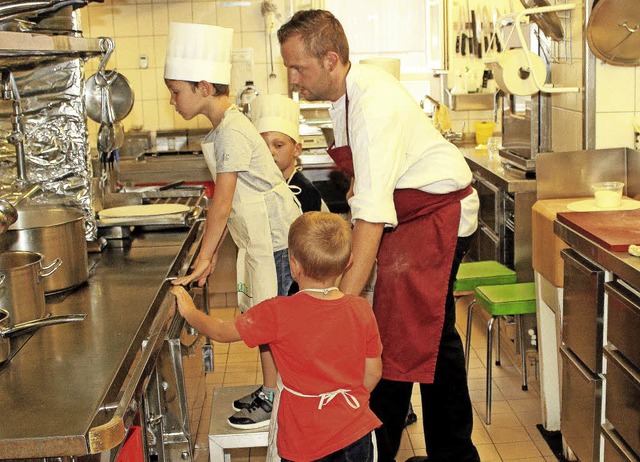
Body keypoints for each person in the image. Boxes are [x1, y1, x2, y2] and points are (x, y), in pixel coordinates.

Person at [278, 10, 481, 462]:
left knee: (414, 338)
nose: (292, 80)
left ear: (331, 60)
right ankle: (445, 453)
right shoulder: (347, 95)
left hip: (437, 217)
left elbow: (370, 215)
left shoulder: (372, 102)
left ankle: (412, 451)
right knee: (421, 337)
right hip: (410, 218)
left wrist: (338, 310)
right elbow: (367, 186)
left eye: (298, 68)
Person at [164, 22, 302, 429]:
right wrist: (207, 258)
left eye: (176, 91)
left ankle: (276, 398)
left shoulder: (233, 133)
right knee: (262, 315)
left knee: (269, 323)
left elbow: (221, 205)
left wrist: (204, 260)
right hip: (259, 239)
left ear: (204, 86)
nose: (173, 101)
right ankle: (270, 389)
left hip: (275, 241)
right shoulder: (226, 127)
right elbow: (228, 205)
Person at [171, 211, 383, 462]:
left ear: (294, 265)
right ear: (348, 262)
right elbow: (373, 374)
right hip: (356, 432)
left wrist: (189, 310)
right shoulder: (360, 309)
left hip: (305, 440)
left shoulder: (277, 312)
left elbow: (220, 330)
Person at [251, 93, 325, 213]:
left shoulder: (306, 192)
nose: (270, 152)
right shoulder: (258, 187)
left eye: (278, 145)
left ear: (297, 149)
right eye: (263, 146)